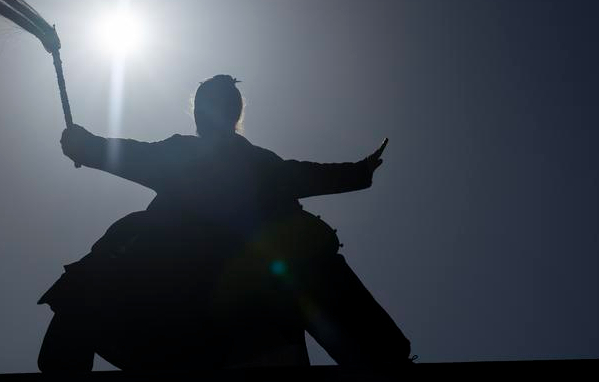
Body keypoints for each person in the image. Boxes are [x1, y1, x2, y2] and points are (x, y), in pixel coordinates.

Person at [37, 75, 411, 372]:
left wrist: (359, 172)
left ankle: (382, 356)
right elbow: (129, 155)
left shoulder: (250, 162)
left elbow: (306, 176)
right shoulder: (190, 154)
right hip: (177, 276)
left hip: (236, 278)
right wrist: (86, 145)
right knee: (105, 259)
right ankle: (66, 361)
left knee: (312, 253)